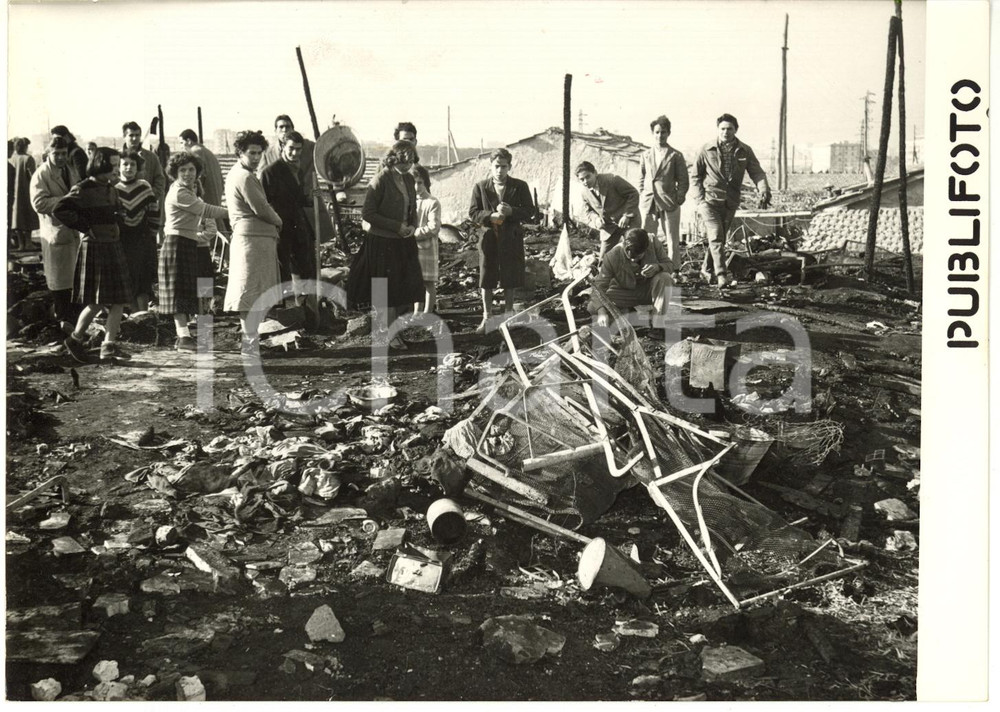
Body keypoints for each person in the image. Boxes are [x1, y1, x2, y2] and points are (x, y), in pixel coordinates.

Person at [54, 147, 133, 362]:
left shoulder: (111, 188)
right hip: (96, 247)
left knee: (119, 300)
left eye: (117, 165)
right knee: (97, 301)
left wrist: (120, 215)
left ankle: (108, 346)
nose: (116, 170)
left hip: (113, 245)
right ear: (99, 164)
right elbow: (60, 209)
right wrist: (85, 227)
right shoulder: (83, 189)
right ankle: (75, 339)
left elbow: (117, 209)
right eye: (112, 165)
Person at [346, 141, 424, 350]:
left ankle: (394, 331)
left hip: (404, 241)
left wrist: (412, 226)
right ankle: (388, 334)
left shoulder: (409, 179)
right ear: (393, 159)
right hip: (383, 242)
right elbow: (368, 213)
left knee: (404, 290)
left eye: (411, 162)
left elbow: (412, 208)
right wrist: (396, 227)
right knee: (387, 292)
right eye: (403, 162)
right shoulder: (381, 179)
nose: (407, 166)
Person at [159, 152, 229, 351]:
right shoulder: (179, 193)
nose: (188, 174)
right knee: (178, 292)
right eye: (183, 170)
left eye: (191, 169)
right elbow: (207, 210)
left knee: (187, 291)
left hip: (186, 243)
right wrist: (236, 211)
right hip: (177, 243)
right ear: (175, 173)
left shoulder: (186, 191)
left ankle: (185, 337)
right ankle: (184, 337)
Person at [691, 113, 771, 287]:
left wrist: (763, 189)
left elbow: (757, 172)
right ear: (717, 129)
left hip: (730, 201)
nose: (725, 132)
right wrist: (699, 200)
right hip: (709, 201)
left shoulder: (744, 150)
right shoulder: (706, 149)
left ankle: (706, 269)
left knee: (718, 239)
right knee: (716, 235)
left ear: (736, 130)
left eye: (729, 129)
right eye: (722, 129)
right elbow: (695, 176)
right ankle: (721, 274)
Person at [224, 130, 283, 354]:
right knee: (251, 293)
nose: (256, 157)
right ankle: (250, 344)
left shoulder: (240, 173)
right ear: (240, 152)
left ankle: (252, 342)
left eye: (259, 153)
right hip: (252, 241)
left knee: (252, 292)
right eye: (252, 153)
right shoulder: (245, 177)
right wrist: (278, 220)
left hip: (253, 239)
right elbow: (261, 208)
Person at [469, 148, 535, 333]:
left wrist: (512, 211)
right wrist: (490, 216)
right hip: (489, 237)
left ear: (509, 167)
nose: (500, 170)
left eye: (504, 166)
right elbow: (473, 212)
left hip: (511, 237)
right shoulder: (481, 187)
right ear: (490, 166)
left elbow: (530, 211)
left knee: (510, 276)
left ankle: (508, 316)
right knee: (486, 276)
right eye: (496, 166)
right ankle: (487, 317)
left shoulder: (519, 186)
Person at [260, 130, 318, 316]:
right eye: (291, 148)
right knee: (282, 270)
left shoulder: (297, 170)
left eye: (298, 149)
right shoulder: (270, 172)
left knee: (304, 268)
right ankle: (280, 313)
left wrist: (312, 198)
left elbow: (297, 199)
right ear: (282, 146)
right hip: (280, 228)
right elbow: (264, 203)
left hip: (298, 227)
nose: (295, 153)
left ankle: (306, 311)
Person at [30, 136, 84, 332]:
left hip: (73, 232)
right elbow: (39, 203)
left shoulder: (69, 170)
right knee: (60, 283)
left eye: (64, 153)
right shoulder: (41, 175)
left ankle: (74, 325)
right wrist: (66, 199)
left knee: (74, 280)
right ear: (48, 153)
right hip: (56, 233)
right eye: (56, 154)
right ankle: (62, 325)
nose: (61, 157)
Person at [258, 114, 333, 246]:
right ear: (275, 131)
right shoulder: (268, 153)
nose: (284, 130)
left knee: (309, 244)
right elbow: (262, 182)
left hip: (306, 205)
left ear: (293, 129)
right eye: (281, 127)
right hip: (282, 211)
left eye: (288, 126)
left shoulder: (307, 146)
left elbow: (325, 151)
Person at [588, 228, 673, 328]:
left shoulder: (653, 243)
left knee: (665, 278)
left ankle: (657, 324)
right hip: (625, 292)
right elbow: (599, 287)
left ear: (646, 248)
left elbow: (670, 265)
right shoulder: (612, 256)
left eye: (638, 256)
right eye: (629, 257)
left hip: (649, 291)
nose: (633, 260)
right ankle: (630, 314)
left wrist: (657, 267)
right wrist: (601, 312)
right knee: (593, 307)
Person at [638, 115, 688, 279]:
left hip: (669, 201)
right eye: (657, 132)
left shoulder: (676, 155)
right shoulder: (645, 155)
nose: (660, 135)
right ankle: (647, 267)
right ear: (653, 133)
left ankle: (674, 270)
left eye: (663, 132)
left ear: (668, 133)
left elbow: (683, 180)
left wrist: (679, 198)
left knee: (672, 237)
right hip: (649, 201)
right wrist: (643, 193)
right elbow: (642, 177)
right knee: (647, 236)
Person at [115, 150, 161, 312]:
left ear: (138, 167)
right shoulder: (114, 190)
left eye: (132, 164)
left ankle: (144, 314)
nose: (129, 168)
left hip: (142, 239)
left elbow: (154, 212)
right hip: (123, 240)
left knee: (143, 278)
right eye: (125, 164)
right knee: (128, 278)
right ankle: (134, 315)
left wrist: (152, 236)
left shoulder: (144, 186)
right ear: (118, 167)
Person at [575, 160, 639, 263]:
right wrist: (596, 219)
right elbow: (589, 211)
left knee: (634, 252)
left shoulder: (612, 180)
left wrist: (627, 215)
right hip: (609, 227)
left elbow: (633, 194)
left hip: (628, 221)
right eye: (582, 179)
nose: (585, 181)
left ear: (595, 173)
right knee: (604, 260)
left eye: (588, 177)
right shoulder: (584, 192)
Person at [411, 164, 441, 314]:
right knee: (416, 282)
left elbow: (433, 227)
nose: (416, 187)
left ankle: (428, 313)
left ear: (426, 183)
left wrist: (412, 234)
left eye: (420, 183)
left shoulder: (432, 202)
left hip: (427, 247)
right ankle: (417, 312)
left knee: (428, 282)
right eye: (413, 183)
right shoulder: (409, 202)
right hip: (411, 248)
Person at [121, 121, 167, 204]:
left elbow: (160, 179)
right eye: (131, 135)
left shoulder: (151, 157)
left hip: (146, 202)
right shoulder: (118, 157)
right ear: (124, 136)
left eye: (137, 135)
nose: (134, 138)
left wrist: (149, 195)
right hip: (122, 202)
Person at [180, 129, 224, 208]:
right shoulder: (208, 152)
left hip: (206, 198)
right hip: (216, 196)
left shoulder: (194, 152)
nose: (181, 146)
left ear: (189, 141)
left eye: (181, 143)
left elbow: (198, 177)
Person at [9, 137, 39, 250]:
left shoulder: (12, 159)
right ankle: (28, 243)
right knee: (27, 217)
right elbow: (34, 177)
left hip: (14, 193)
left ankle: (21, 244)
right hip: (26, 192)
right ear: (25, 147)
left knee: (16, 219)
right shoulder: (28, 159)